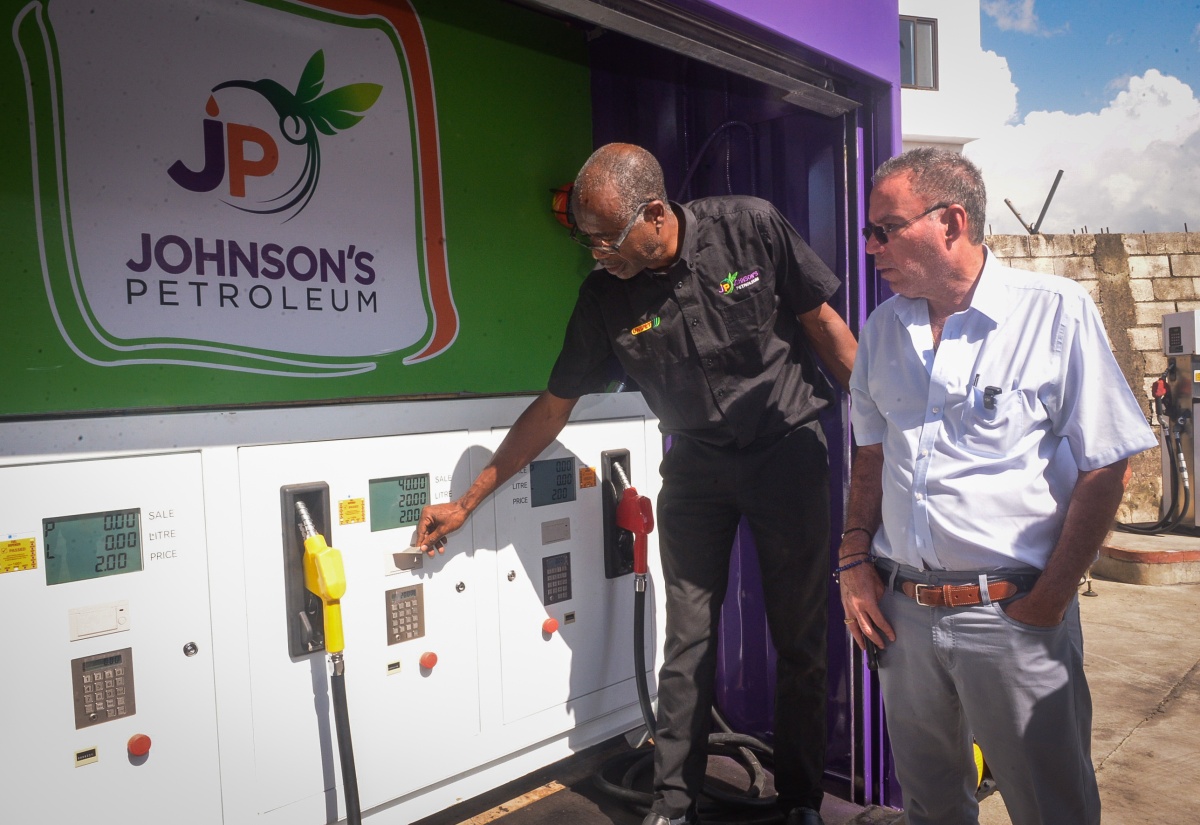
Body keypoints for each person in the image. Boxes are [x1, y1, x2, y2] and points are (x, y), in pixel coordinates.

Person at [413, 143, 857, 825]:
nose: (596, 254)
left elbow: (824, 328)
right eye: (585, 240)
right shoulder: (604, 298)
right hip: (698, 467)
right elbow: (553, 407)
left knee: (798, 639)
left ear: (655, 214)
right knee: (687, 639)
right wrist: (469, 500)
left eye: (606, 239)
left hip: (786, 453)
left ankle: (799, 801)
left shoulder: (752, 227)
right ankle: (672, 806)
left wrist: (895, 437)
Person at [837, 148, 1156, 825]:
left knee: (1051, 806)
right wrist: (853, 559)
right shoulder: (883, 327)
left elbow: (1108, 463)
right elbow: (870, 453)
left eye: (884, 228)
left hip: (1014, 617)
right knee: (929, 805)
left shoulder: (1054, 313)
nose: (870, 248)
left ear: (950, 221)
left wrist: (1051, 598)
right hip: (903, 618)